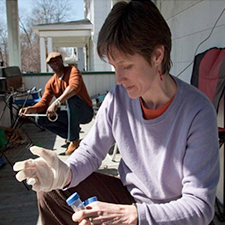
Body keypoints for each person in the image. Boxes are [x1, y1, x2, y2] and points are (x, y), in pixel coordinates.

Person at [14, 1, 219, 224]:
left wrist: (135, 216)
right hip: (130, 198)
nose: (118, 79)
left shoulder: (197, 111)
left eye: (127, 66)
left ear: (157, 55)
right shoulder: (117, 99)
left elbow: (200, 207)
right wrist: (66, 172)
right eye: (114, 67)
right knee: (51, 191)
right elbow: (92, 153)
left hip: (170, 214)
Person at [19, 52, 93, 155]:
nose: (55, 64)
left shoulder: (72, 71)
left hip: (85, 113)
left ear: (61, 60)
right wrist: (31, 109)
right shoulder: (51, 83)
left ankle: (74, 140)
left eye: (57, 60)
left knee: (71, 99)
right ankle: (70, 135)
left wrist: (57, 102)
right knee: (41, 118)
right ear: (49, 66)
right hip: (70, 114)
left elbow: (74, 87)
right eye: (52, 62)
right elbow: (43, 103)